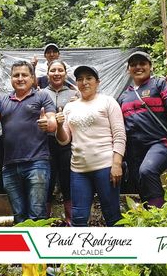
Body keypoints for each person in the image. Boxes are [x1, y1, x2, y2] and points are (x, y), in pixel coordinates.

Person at [0, 60, 57, 223]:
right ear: (11, 78)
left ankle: (38, 247)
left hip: (37, 163)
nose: (20, 78)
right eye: (16, 75)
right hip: (10, 166)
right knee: (19, 216)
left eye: (24, 75)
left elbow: (52, 122)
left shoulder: (42, 96)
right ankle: (24, 248)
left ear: (32, 77)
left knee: (37, 215)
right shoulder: (2, 100)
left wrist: (47, 124)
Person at [56, 66, 125, 227]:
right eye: (80, 79)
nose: (84, 82)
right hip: (79, 170)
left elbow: (120, 135)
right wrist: (59, 126)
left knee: (112, 216)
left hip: (106, 166)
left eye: (89, 78)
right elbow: (64, 140)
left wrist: (117, 164)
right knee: (78, 218)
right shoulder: (70, 107)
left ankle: (120, 251)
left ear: (97, 82)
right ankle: (82, 252)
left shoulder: (108, 102)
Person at [117, 51, 167, 208]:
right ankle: (149, 216)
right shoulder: (124, 96)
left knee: (147, 171)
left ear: (150, 67)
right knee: (139, 181)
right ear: (128, 70)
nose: (138, 67)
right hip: (134, 149)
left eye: (142, 63)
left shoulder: (159, 83)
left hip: (160, 143)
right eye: (133, 65)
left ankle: (158, 216)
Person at [41, 60, 77, 224]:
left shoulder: (73, 94)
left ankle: (70, 219)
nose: (56, 73)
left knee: (67, 179)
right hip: (44, 143)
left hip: (67, 143)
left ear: (65, 73)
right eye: (53, 70)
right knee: (46, 180)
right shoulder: (40, 93)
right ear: (47, 74)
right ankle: (44, 219)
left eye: (60, 70)